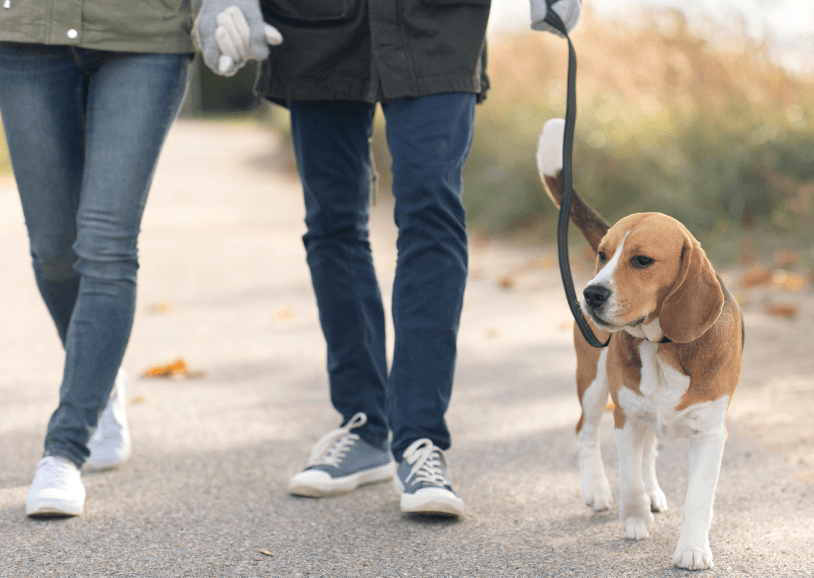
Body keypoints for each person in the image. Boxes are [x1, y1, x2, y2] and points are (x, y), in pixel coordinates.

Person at [194, 0, 581, 517]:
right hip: (314, 26)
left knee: (431, 212)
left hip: (436, 23)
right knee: (332, 222)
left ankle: (421, 440)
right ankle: (363, 426)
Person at [0, 2, 194, 516]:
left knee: (107, 243)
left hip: (144, 33)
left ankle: (64, 450)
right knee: (53, 251)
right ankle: (99, 376)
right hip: (27, 31)